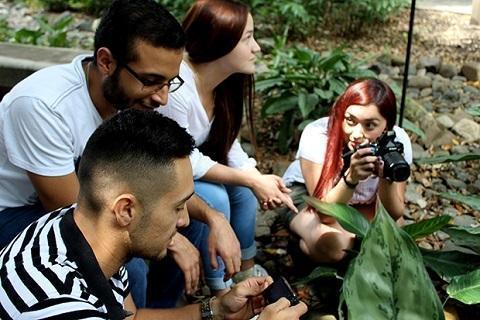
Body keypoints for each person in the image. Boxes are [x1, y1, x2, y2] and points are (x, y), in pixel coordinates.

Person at [0, 0, 241, 308]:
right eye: (151, 81)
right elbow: (72, 210)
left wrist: (213, 216)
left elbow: (157, 174)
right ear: (106, 62)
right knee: (127, 260)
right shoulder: (44, 106)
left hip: (97, 195)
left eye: (170, 82)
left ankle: (161, 310)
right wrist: (168, 237)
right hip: (16, 211)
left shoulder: (129, 98)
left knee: (195, 220)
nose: (162, 97)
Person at [0, 109, 308, 320]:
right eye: (177, 207)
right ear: (126, 210)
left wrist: (215, 310)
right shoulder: (59, 306)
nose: (183, 220)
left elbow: (130, 317)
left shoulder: (77, 229)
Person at [156, 0, 296, 297]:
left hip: (183, 166)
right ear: (219, 41)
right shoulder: (178, 86)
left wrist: (258, 179)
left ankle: (244, 270)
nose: (257, 47)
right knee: (218, 197)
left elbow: (229, 145)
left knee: (244, 192)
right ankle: (221, 288)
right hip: (160, 170)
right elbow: (184, 158)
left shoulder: (224, 84)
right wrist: (252, 179)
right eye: (248, 38)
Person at [281, 79, 413, 263]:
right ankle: (301, 249)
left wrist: (385, 178)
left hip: (364, 200)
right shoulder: (317, 135)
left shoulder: (398, 141)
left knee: (395, 240)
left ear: (387, 126)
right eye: (350, 121)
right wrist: (351, 178)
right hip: (308, 196)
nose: (357, 134)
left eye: (369, 125)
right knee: (335, 245)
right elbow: (325, 214)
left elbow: (394, 213)